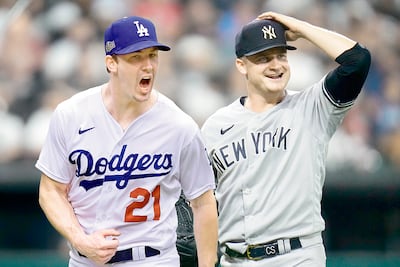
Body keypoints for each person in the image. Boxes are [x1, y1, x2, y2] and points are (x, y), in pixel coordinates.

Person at [36, 16, 218, 267]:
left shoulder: (179, 126)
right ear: (111, 63)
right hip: (86, 261)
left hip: (154, 259)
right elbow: (50, 190)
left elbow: (203, 202)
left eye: (152, 55)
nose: (148, 66)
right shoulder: (71, 115)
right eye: (136, 57)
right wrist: (80, 240)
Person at [201, 11, 371, 267]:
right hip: (234, 260)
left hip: (297, 256)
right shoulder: (216, 126)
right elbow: (202, 201)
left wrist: (302, 29)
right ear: (241, 65)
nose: (276, 65)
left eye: (282, 55)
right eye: (263, 58)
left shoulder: (312, 107)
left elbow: (357, 61)